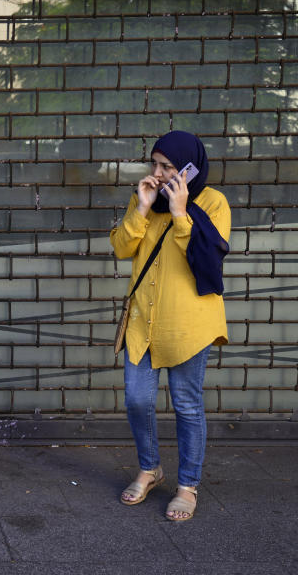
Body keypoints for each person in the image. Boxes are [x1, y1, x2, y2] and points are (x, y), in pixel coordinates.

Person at [110, 130, 230, 521]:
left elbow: (206, 263)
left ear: (190, 168)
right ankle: (150, 469)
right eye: (155, 164)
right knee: (137, 399)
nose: (158, 173)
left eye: (168, 167)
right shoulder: (145, 197)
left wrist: (180, 214)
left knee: (187, 405)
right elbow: (122, 247)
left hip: (188, 324)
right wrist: (142, 209)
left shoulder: (213, 203)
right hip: (143, 320)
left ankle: (187, 486)